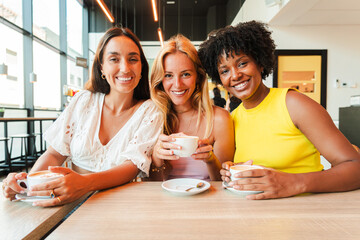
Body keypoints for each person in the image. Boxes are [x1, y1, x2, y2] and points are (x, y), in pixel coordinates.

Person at [198, 21, 360, 199]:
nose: (235, 75)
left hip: (306, 213)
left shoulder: (293, 104)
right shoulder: (232, 119)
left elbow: (354, 167)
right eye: (225, 71)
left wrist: (295, 182)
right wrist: (231, 172)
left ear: (260, 63)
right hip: (255, 216)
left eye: (242, 63)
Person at [2, 27, 163, 207]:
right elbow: (54, 154)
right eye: (114, 59)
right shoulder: (84, 100)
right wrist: (26, 184)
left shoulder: (151, 111)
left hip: (123, 205)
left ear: (142, 67)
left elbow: (132, 167)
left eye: (133, 59)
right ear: (102, 67)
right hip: (68, 204)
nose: (125, 68)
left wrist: (85, 184)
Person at [149, 34, 234, 181]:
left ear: (198, 77)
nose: (177, 84)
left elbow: (223, 183)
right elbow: (151, 184)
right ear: (160, 79)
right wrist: (157, 158)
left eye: (186, 74)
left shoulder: (219, 119)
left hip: (207, 200)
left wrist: (210, 159)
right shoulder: (151, 118)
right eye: (168, 75)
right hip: (164, 201)